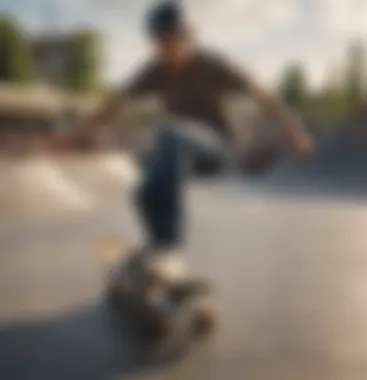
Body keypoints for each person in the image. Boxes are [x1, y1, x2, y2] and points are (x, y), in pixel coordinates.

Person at [74, 1, 314, 282]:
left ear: (190, 37)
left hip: (219, 150)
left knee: (171, 133)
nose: (168, 51)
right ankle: (155, 244)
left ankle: (169, 250)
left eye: (174, 42)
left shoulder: (211, 65)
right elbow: (116, 102)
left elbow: (263, 96)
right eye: (161, 44)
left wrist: (295, 132)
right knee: (144, 189)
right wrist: (82, 132)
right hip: (184, 152)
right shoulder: (154, 71)